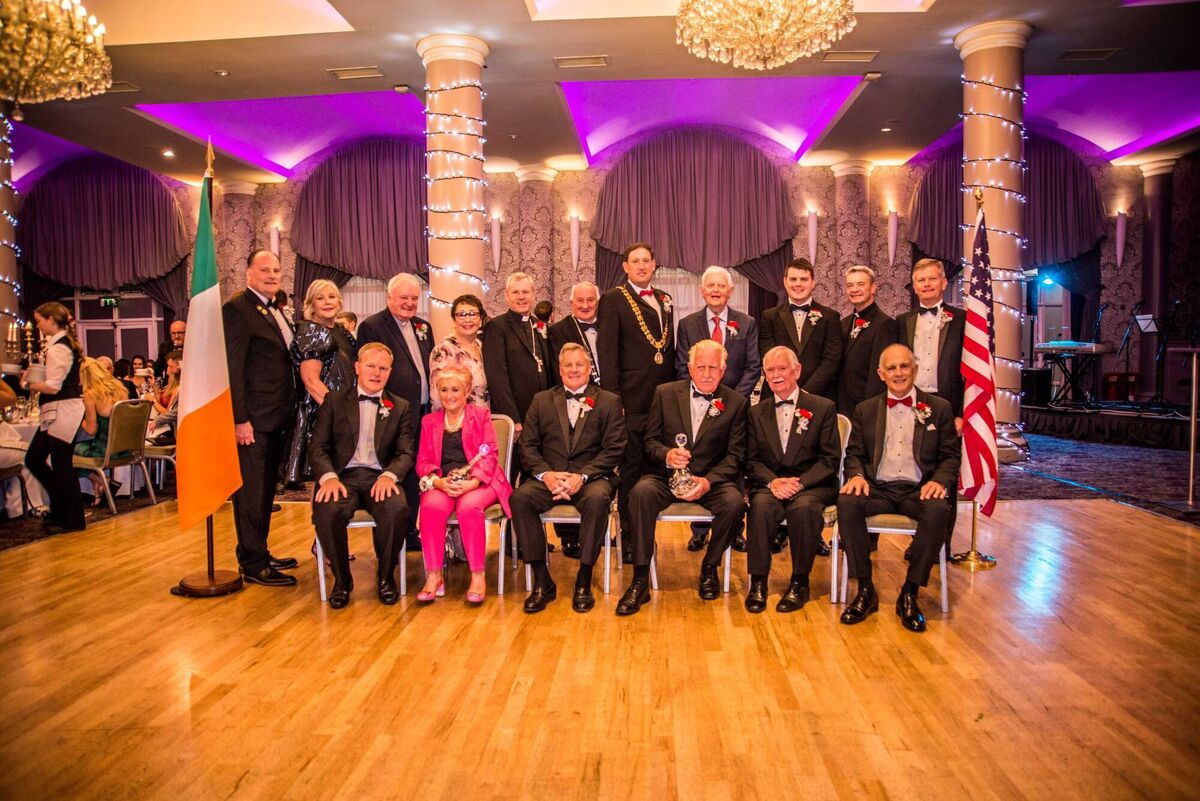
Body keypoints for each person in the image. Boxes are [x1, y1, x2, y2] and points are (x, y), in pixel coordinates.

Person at [616, 340, 748, 616]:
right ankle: (640, 578)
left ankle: (710, 567)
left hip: (711, 480)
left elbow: (735, 457)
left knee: (735, 502)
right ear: (689, 368)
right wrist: (666, 455)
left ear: (723, 370)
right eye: (701, 367)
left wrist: (708, 481)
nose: (707, 373)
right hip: (666, 477)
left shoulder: (735, 403)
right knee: (639, 493)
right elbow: (649, 442)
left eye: (714, 367)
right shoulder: (664, 394)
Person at [836, 344, 960, 633]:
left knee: (939, 510)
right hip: (878, 488)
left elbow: (951, 456)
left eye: (904, 366)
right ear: (881, 374)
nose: (899, 373)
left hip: (919, 489)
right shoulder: (866, 410)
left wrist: (939, 481)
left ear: (915, 370)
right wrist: (855, 475)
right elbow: (854, 453)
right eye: (891, 368)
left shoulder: (939, 408)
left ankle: (910, 591)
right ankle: (865, 589)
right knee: (847, 503)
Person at [511, 343, 626, 614]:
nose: (574, 370)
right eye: (568, 365)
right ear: (560, 370)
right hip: (549, 477)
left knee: (598, 500)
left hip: (592, 478)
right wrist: (547, 474)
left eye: (579, 364)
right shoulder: (541, 400)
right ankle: (542, 580)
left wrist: (582, 477)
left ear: (589, 368)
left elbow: (615, 449)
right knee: (520, 498)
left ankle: (583, 579)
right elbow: (527, 446)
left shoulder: (609, 401)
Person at [308, 343, 415, 608]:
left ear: (390, 372)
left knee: (397, 509)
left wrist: (390, 475)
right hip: (342, 477)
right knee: (327, 509)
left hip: (380, 477)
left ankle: (386, 577)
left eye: (383, 368)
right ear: (357, 367)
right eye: (370, 366)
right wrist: (328, 477)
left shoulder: (399, 406)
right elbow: (317, 446)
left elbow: (405, 453)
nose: (376, 373)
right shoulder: (334, 401)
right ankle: (342, 581)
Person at [222, 250, 299, 587]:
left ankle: (261, 550)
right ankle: (252, 562)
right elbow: (233, 368)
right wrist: (240, 419)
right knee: (251, 492)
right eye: (264, 269)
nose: (271, 275)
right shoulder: (237, 309)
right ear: (249, 272)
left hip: (277, 416)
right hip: (253, 420)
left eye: (276, 270)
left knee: (267, 490)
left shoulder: (275, 309)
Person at [743, 347, 840, 613]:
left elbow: (830, 460)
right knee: (760, 507)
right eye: (770, 370)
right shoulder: (755, 412)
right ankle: (759, 582)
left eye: (781, 369)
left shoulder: (823, 408)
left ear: (797, 371)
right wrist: (773, 482)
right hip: (771, 483)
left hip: (811, 485)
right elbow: (750, 460)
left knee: (804, 509)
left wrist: (800, 483)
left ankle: (800, 582)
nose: (775, 375)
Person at [597, 243, 676, 561]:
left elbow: (666, 352)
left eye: (647, 260)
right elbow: (608, 352)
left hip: (662, 401)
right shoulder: (614, 299)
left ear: (654, 264)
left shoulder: (665, 299)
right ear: (625, 267)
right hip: (630, 401)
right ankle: (628, 537)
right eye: (635, 261)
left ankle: (647, 534)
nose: (642, 265)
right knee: (630, 470)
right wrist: (616, 402)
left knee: (655, 470)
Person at [674, 265, 761, 552]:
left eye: (720, 286)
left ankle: (734, 528)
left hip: (735, 407)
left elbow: (752, 366)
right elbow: (682, 367)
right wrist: (702, 393)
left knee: (733, 463)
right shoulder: (687, 324)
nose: (715, 290)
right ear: (702, 291)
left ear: (730, 291)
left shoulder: (746, 323)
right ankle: (700, 530)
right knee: (699, 459)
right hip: (697, 405)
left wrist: (731, 400)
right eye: (709, 285)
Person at [414, 366, 512, 604]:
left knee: (469, 507)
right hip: (444, 482)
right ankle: (435, 574)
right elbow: (423, 461)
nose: (449, 395)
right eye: (444, 390)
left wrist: (473, 481)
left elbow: (490, 454)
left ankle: (477, 575)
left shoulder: (481, 416)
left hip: (480, 481)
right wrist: (438, 482)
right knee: (431, 507)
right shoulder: (429, 421)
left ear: (467, 391)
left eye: (455, 389)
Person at [895, 257, 966, 555]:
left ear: (943, 283)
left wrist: (962, 412)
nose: (926, 285)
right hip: (911, 402)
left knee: (943, 475)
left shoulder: (962, 320)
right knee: (915, 470)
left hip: (947, 404)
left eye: (931, 279)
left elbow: (970, 372)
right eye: (920, 280)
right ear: (914, 286)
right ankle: (921, 540)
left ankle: (940, 546)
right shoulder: (903, 321)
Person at [357, 273, 434, 546]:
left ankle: (411, 532)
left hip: (423, 411)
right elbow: (372, 374)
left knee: (415, 472)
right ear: (389, 297)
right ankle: (392, 536)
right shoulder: (372, 326)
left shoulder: (423, 327)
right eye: (404, 298)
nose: (409, 303)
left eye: (414, 298)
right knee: (393, 471)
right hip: (392, 413)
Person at [282, 279, 357, 488]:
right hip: (322, 413)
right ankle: (322, 521)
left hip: (342, 410)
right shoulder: (312, 331)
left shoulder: (341, 332)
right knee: (324, 478)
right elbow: (311, 381)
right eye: (320, 298)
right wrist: (336, 411)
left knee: (339, 477)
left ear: (339, 302)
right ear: (311, 304)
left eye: (331, 297)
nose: (327, 302)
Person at [22, 302, 87, 533]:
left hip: (63, 410)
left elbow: (53, 386)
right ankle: (62, 510)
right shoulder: (59, 345)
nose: (38, 325)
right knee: (35, 459)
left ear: (51, 320)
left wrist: (30, 384)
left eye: (39, 320)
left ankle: (73, 518)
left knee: (61, 466)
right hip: (58, 410)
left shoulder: (59, 347)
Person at [482, 272, 552, 461]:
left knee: (538, 467)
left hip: (541, 413)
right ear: (507, 296)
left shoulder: (539, 325)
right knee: (510, 470)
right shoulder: (497, 327)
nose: (521, 297)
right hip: (516, 414)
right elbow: (497, 377)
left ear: (533, 294)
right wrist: (512, 418)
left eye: (525, 292)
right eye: (516, 292)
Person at [758, 258, 843, 401]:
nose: (798, 284)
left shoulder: (830, 317)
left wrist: (805, 392)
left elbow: (831, 361)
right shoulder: (769, 317)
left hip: (818, 396)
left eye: (803, 279)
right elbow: (768, 357)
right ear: (785, 282)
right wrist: (787, 389)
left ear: (813, 283)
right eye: (793, 279)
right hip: (777, 394)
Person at [837, 265, 900, 418]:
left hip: (866, 408)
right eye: (850, 285)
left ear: (873, 288)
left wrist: (868, 411)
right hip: (842, 406)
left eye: (860, 284)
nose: (854, 289)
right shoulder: (843, 323)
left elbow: (878, 375)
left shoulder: (885, 324)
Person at [73, 356, 134, 506]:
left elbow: (91, 430)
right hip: (125, 447)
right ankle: (99, 493)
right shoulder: (121, 389)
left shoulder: (91, 394)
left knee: (66, 452)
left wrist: (77, 417)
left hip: (105, 449)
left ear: (84, 374)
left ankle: (103, 480)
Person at [429, 294, 489, 410]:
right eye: (461, 315)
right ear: (454, 320)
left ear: (480, 319)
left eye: (472, 314)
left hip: (483, 418)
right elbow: (437, 396)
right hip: (456, 420)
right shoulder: (444, 350)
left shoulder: (481, 346)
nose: (467, 320)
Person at [548, 281, 602, 386]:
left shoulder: (609, 325)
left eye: (590, 300)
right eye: (580, 300)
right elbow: (558, 373)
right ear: (572, 303)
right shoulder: (558, 331)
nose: (585, 306)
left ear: (597, 302)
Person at [153, 349, 181, 415]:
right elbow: (161, 405)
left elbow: (168, 414)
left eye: (171, 366)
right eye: (168, 366)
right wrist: (153, 385)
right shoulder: (172, 382)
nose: (168, 370)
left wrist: (152, 401)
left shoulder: (179, 387)